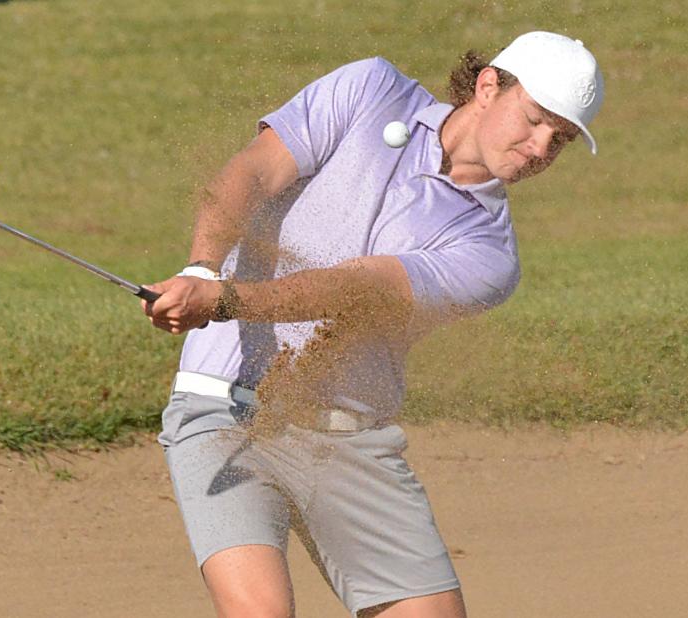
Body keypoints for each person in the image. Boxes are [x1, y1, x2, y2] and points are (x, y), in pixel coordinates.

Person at [142, 30, 604, 618]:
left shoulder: (488, 253)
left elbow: (357, 289)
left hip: (348, 440)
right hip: (222, 411)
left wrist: (226, 299)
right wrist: (199, 267)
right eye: (536, 120)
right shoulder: (371, 89)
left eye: (559, 140)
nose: (541, 148)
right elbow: (255, 173)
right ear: (489, 86)